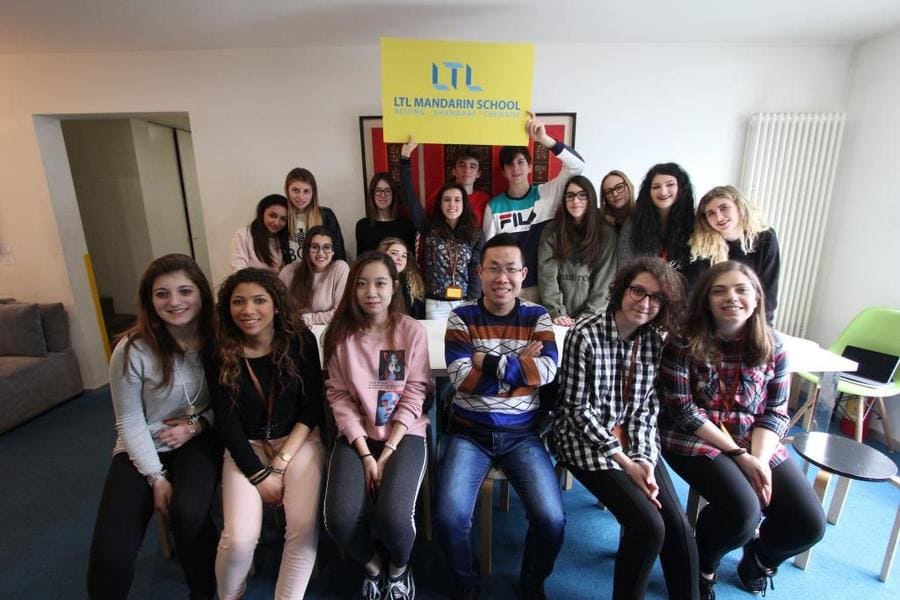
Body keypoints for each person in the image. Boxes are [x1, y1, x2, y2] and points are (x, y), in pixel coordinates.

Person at [658, 261, 825, 599]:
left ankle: (759, 561)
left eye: (740, 289)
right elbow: (684, 411)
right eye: (719, 290)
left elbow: (776, 412)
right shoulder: (681, 342)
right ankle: (702, 567)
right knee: (743, 512)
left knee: (809, 524)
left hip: (756, 442)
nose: (730, 297)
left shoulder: (774, 346)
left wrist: (759, 460)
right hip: (694, 439)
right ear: (706, 300)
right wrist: (738, 455)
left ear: (757, 298)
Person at [552, 257, 699, 600]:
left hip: (632, 441)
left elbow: (647, 407)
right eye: (638, 291)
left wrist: (644, 457)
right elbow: (576, 410)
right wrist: (625, 461)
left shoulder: (651, 340)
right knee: (649, 527)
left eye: (656, 297)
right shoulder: (584, 335)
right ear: (621, 289)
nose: (645, 303)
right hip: (585, 441)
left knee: (677, 526)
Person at [436, 233, 564, 600]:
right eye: (493, 268)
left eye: (510, 269)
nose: (501, 278)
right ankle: (466, 583)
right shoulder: (461, 318)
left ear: (524, 274)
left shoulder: (538, 315)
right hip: (468, 434)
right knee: (449, 520)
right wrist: (519, 369)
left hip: (522, 435)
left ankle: (531, 581)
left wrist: (487, 361)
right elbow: (461, 379)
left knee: (552, 520)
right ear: (480, 271)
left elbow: (547, 372)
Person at [87, 254, 220, 600]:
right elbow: (129, 420)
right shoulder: (131, 350)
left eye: (184, 291)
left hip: (197, 440)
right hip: (141, 445)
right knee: (110, 553)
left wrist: (197, 424)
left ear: (201, 294)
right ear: (149, 300)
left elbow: (232, 405)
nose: (174, 302)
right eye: (162, 294)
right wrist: (155, 476)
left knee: (190, 518)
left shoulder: (220, 339)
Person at [207, 268, 326, 600]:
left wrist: (283, 460)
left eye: (259, 300)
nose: (248, 310)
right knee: (238, 539)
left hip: (297, 441)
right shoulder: (219, 349)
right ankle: (231, 594)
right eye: (238, 302)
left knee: (301, 527)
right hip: (246, 446)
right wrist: (260, 474)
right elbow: (226, 421)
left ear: (276, 305)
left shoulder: (301, 339)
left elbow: (312, 407)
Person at [322, 251, 433, 600]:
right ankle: (373, 567)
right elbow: (339, 397)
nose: (372, 291)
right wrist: (366, 454)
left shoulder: (409, 331)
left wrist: (386, 451)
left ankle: (399, 569)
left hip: (403, 433)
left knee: (394, 518)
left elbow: (414, 393)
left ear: (394, 286)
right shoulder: (340, 335)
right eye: (362, 284)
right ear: (352, 289)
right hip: (358, 437)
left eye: (380, 283)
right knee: (338, 521)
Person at [482, 113, 585, 301]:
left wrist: (544, 140)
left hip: (543, 288)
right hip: (506, 288)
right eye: (509, 163)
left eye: (521, 162)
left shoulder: (546, 194)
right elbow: (487, 252)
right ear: (503, 171)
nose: (515, 168)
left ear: (530, 166)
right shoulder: (494, 206)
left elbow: (577, 166)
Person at [400, 135, 483, 319]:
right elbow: (409, 199)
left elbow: (475, 269)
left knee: (465, 348)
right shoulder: (429, 227)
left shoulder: (475, 234)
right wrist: (405, 159)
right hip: (435, 304)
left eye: (457, 200)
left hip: (464, 303)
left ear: (464, 205)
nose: (452, 204)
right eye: (447, 199)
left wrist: (473, 302)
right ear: (440, 204)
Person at [687, 185, 781, 323]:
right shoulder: (702, 244)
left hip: (750, 315)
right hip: (712, 315)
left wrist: (764, 327)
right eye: (711, 213)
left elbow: (768, 289)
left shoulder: (765, 237)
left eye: (724, 208)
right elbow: (694, 289)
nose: (719, 217)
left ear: (739, 207)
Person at [537, 175, 617, 326]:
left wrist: (589, 314)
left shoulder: (606, 233)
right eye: (570, 196)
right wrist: (556, 311)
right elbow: (547, 275)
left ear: (591, 198)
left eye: (582, 195)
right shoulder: (552, 231)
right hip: (558, 317)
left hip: (593, 317)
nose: (575, 201)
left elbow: (604, 280)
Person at [617, 163, 695, 273]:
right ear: (648, 192)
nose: (663, 191)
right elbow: (624, 269)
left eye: (670, 184)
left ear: (681, 188)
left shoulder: (693, 223)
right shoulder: (633, 222)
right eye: (656, 187)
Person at [280, 225, 349, 325]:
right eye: (315, 247)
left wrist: (307, 319)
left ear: (333, 251)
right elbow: (279, 307)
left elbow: (341, 312)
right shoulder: (289, 271)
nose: (321, 253)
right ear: (307, 249)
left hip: (328, 330)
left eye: (326, 247)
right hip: (295, 329)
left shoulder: (340, 268)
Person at [284, 167, 347, 262]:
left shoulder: (326, 215)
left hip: (324, 275)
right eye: (295, 190)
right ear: (287, 191)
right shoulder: (281, 217)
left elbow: (338, 253)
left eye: (306, 191)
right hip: (292, 275)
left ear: (313, 193)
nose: (301, 197)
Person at [421, 147, 491, 229]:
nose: (467, 170)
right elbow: (426, 226)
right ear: (453, 170)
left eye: (472, 166)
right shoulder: (438, 195)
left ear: (478, 173)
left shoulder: (486, 201)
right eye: (462, 165)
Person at [355, 172, 418, 256]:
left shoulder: (406, 225)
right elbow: (360, 261)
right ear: (372, 194)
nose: (383, 194)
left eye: (387, 190)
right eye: (378, 190)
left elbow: (411, 260)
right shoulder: (362, 225)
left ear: (393, 194)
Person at [230, 194, 291, 273]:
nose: (277, 222)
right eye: (272, 216)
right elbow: (238, 270)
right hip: (249, 284)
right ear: (262, 213)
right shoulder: (243, 235)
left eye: (283, 219)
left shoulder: (283, 240)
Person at [378, 236, 426, 319]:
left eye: (404, 256)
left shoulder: (412, 282)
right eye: (394, 253)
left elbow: (419, 316)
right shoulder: (374, 279)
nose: (400, 258)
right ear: (383, 255)